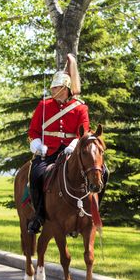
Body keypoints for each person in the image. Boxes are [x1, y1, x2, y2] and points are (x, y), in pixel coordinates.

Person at [27, 54, 107, 234]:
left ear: (65, 89)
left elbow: (84, 131)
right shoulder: (44, 105)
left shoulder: (80, 107)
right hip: (49, 151)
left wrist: (74, 145)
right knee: (36, 174)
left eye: (56, 87)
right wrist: (38, 145)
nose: (53, 89)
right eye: (53, 86)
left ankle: (92, 211)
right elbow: (33, 131)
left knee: (104, 172)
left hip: (74, 152)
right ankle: (39, 215)